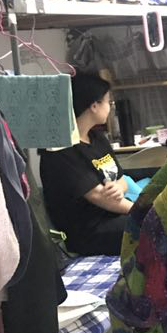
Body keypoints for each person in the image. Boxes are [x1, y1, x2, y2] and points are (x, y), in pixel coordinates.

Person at [40, 72, 131, 256]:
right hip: (89, 232)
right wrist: (146, 212)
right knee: (156, 226)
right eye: (108, 102)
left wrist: (119, 188)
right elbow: (99, 197)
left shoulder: (97, 138)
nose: (110, 107)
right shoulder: (61, 150)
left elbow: (122, 179)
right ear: (94, 105)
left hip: (112, 216)